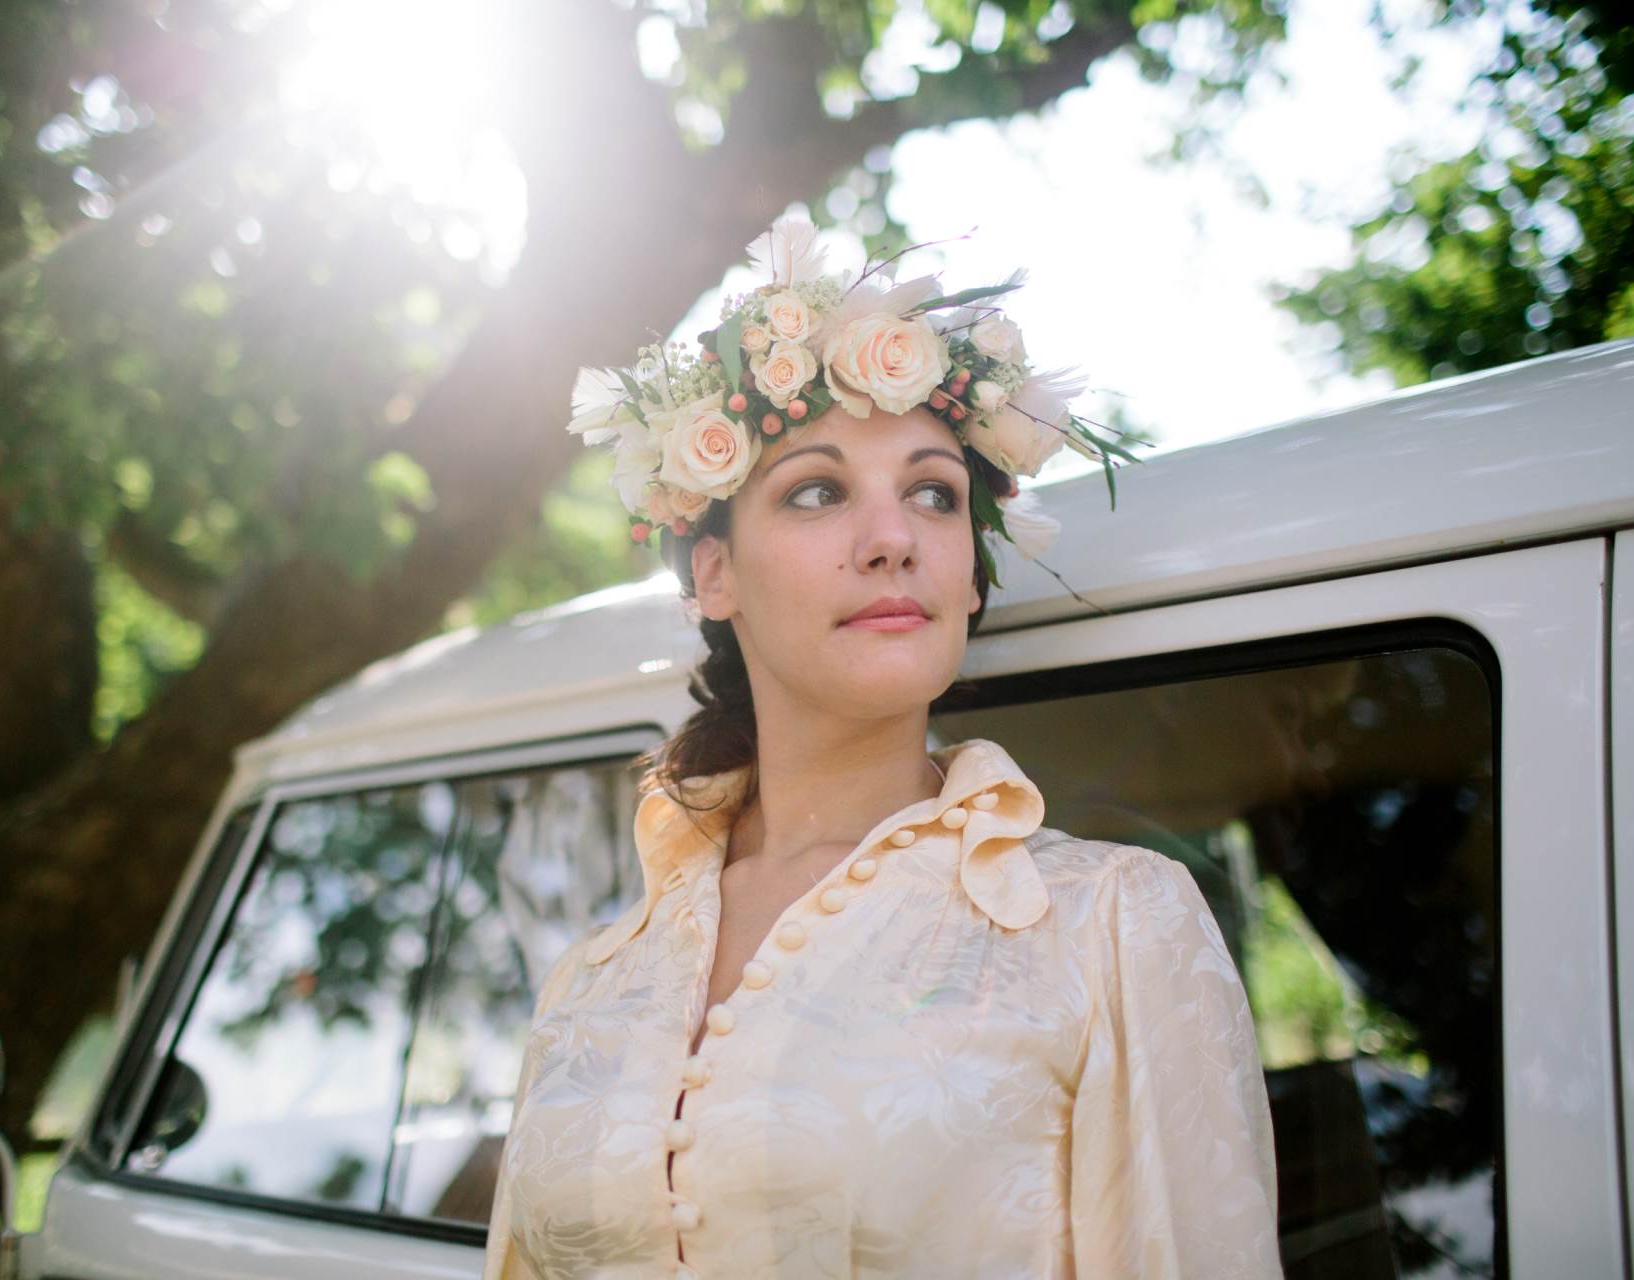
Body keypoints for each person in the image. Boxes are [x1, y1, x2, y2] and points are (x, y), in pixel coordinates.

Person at [481, 218, 1284, 1278]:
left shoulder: (1115, 926)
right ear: (712, 573)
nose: (893, 535)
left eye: (932, 494)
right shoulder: (593, 976)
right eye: (817, 490)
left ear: (970, 576)